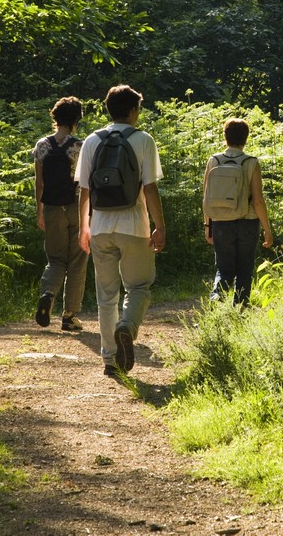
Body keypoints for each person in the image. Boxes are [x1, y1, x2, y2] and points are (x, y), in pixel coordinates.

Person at [76, 85, 166, 377]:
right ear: (131, 110)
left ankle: (109, 359)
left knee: (106, 296)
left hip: (100, 227)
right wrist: (159, 226)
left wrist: (84, 227)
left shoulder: (91, 140)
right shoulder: (143, 140)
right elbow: (150, 187)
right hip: (134, 227)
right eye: (138, 108)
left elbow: (84, 190)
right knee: (138, 286)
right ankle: (126, 326)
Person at [202, 117, 273, 306]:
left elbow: (206, 197)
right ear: (246, 138)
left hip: (220, 221)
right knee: (244, 269)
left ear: (225, 136)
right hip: (247, 221)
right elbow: (257, 200)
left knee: (223, 269)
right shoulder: (251, 162)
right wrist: (267, 229)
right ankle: (241, 309)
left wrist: (208, 224)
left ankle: (216, 298)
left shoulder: (214, 160)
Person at [33, 97, 88, 332]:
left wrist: (40, 212)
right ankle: (69, 315)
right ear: (76, 120)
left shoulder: (42, 145)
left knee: (55, 259)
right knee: (77, 260)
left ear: (54, 117)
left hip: (52, 207)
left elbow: (39, 183)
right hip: (76, 207)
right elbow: (86, 183)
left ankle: (48, 293)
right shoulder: (81, 146)